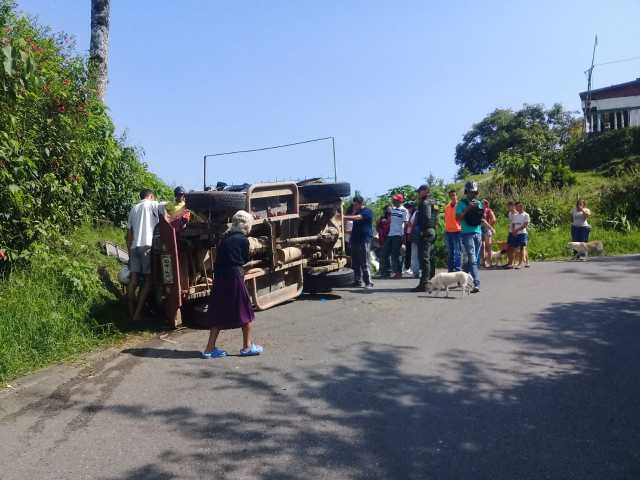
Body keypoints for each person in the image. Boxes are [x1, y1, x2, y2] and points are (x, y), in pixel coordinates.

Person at [203, 210, 263, 358]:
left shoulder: (225, 238)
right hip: (234, 276)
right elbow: (243, 260)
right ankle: (247, 347)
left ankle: (209, 349)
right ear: (247, 225)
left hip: (220, 277)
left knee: (219, 311)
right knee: (245, 311)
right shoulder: (243, 240)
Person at [127, 189, 167, 322]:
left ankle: (131, 312)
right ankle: (138, 313)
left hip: (134, 247)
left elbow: (129, 234)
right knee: (149, 280)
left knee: (133, 280)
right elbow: (168, 206)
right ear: (151, 196)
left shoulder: (133, 209)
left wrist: (129, 253)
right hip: (147, 247)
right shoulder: (152, 204)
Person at [456, 181, 483, 293]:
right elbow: (458, 218)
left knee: (474, 260)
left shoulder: (478, 202)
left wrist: (480, 208)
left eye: (475, 192)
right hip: (467, 233)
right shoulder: (461, 203)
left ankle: (461, 279)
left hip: (478, 233)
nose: (473, 194)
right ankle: (476, 284)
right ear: (467, 192)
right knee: (472, 260)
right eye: (471, 192)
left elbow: (480, 218)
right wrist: (467, 208)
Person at [343, 195, 374, 289]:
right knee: (355, 262)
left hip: (364, 240)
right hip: (355, 240)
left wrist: (343, 217)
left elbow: (357, 217)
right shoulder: (357, 211)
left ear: (361, 203)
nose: (354, 206)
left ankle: (368, 282)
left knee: (364, 262)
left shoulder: (367, 211)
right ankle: (358, 281)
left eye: (355, 204)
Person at [413, 185, 438, 292]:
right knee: (430, 257)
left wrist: (423, 230)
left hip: (426, 232)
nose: (418, 193)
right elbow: (435, 218)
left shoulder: (424, 203)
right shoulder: (434, 202)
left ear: (425, 191)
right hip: (432, 231)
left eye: (420, 191)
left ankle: (424, 284)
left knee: (424, 258)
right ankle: (432, 281)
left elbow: (427, 217)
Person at [380, 193, 409, 279]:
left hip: (398, 234)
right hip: (390, 234)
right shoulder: (392, 209)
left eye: (395, 200)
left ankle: (398, 273)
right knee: (384, 253)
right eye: (393, 199)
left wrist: (404, 237)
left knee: (395, 255)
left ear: (399, 201)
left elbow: (406, 223)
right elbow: (388, 217)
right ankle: (387, 271)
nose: (393, 201)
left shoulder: (404, 210)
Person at [444, 189, 462, 272]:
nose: (453, 197)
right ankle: (450, 270)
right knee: (450, 252)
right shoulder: (447, 207)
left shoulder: (460, 205)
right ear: (450, 197)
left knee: (458, 252)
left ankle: (457, 270)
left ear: (456, 195)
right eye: (451, 195)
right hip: (448, 232)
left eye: (454, 195)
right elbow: (446, 219)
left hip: (457, 232)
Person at [509, 201, 530, 269]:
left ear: (521, 206)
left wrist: (517, 230)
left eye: (517, 206)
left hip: (523, 233)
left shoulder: (526, 215)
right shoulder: (515, 215)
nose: (516, 208)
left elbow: (525, 225)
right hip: (516, 234)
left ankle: (520, 263)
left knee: (522, 248)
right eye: (516, 206)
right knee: (516, 248)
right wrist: (513, 231)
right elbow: (513, 224)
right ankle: (521, 262)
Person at [375, 206, 391, 275]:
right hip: (382, 239)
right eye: (385, 210)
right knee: (383, 255)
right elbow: (377, 226)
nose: (386, 211)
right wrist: (380, 232)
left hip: (390, 238)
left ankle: (388, 270)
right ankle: (383, 270)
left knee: (388, 255)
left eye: (388, 209)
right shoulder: (382, 218)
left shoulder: (392, 217)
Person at [481, 199, 497, 268]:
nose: (482, 204)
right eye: (482, 203)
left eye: (484, 203)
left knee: (488, 246)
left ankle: (490, 262)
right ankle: (483, 262)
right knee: (482, 246)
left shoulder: (489, 210)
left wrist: (489, 226)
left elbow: (494, 219)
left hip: (487, 229)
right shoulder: (479, 210)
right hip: (479, 229)